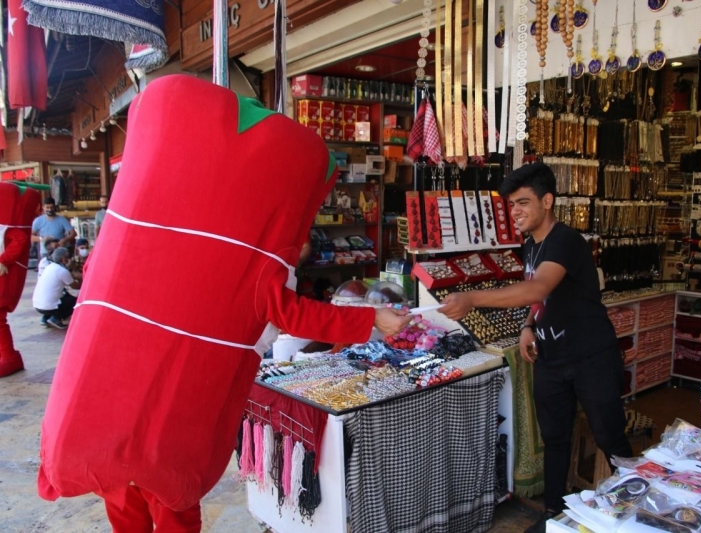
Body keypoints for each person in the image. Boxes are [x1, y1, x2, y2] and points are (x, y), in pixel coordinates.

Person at [37, 75, 412, 533]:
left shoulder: (125, 242)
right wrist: (371, 318)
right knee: (171, 504)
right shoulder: (252, 266)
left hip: (99, 406)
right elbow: (295, 313)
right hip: (173, 420)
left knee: (122, 499)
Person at [438, 162, 632, 533]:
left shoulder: (565, 241)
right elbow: (540, 297)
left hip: (591, 356)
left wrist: (472, 298)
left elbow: (538, 287)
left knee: (610, 437)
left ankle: (637, 512)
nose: (515, 211)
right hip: (552, 358)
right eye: (512, 205)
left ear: (547, 201)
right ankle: (553, 515)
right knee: (554, 438)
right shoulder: (531, 245)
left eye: (523, 202)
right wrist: (529, 326)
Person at [0, 181, 42, 377]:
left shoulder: (6, 227)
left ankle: (9, 357)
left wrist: (4, 260)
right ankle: (7, 355)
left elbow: (20, 239)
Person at [32, 248, 79, 330]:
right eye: (68, 257)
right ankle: (56, 318)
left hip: (37, 305)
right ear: (64, 259)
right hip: (49, 307)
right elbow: (75, 286)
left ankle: (45, 318)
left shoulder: (49, 267)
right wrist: (75, 271)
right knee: (76, 301)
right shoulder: (62, 271)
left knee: (64, 294)